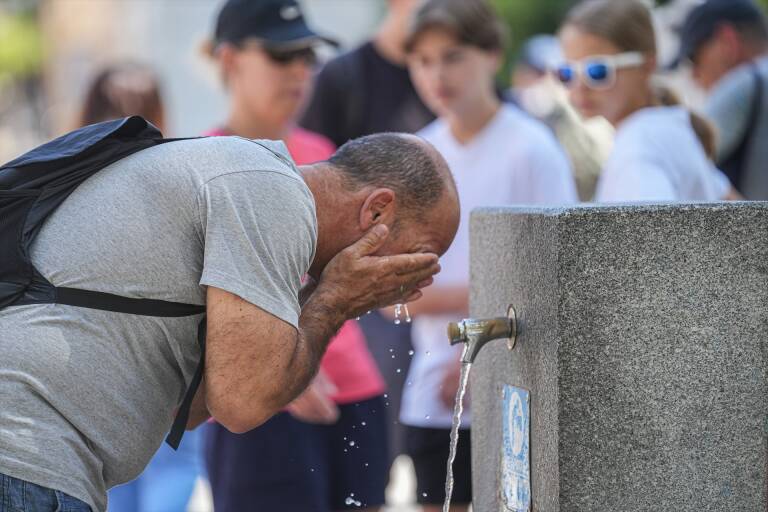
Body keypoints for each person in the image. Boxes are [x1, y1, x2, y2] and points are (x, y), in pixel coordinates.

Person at [0, 127, 459, 512]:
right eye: (418, 258)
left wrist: (324, 296)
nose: (410, 282)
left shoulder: (253, 187)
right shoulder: (269, 191)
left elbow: (199, 407)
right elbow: (244, 404)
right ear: (377, 209)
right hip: (26, 460)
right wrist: (334, 301)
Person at [199, 1, 389, 510]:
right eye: (282, 56)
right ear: (229, 60)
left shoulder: (327, 153)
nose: (300, 72)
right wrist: (281, 371)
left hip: (355, 391)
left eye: (308, 56)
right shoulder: (200, 162)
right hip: (260, 405)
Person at [400, 1, 578, 511]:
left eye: (452, 56)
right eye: (423, 60)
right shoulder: (416, 155)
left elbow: (558, 275)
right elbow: (399, 293)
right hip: (431, 388)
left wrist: (481, 354)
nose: (437, 75)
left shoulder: (531, 148)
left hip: (517, 390)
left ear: (492, 54)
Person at [300, 0, 435, 475]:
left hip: (421, 286)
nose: (435, 73)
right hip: (361, 279)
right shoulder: (344, 77)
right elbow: (320, 186)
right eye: (426, 61)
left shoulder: (446, 87)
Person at [76, 63, 207, 512]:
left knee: (110, 486)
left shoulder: (66, 184)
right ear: (160, 114)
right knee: (172, 468)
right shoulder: (183, 178)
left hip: (93, 371)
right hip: (168, 368)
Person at [557, 0, 738, 202]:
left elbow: (650, 232)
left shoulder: (639, 145)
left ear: (647, 65)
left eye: (597, 70)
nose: (579, 87)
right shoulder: (668, 127)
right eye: (567, 72)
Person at [672, 0, 768, 199]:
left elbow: (680, 163)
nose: (694, 76)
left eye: (693, 59)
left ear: (727, 42)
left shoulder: (748, 82)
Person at [509, 35, 614, 201]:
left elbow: (596, 166)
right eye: (536, 73)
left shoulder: (575, 115)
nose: (543, 82)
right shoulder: (509, 113)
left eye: (560, 75)